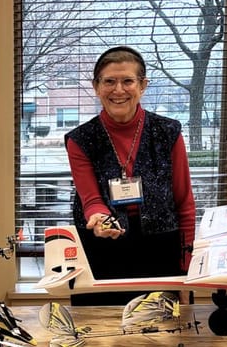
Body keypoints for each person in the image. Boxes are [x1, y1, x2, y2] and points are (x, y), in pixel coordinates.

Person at [64, 46, 196, 306]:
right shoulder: (80, 140)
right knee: (98, 335)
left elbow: (184, 203)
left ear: (143, 85)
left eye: (128, 81)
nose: (118, 90)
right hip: (101, 250)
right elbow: (90, 198)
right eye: (109, 82)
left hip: (160, 250)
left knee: (160, 337)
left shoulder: (168, 133)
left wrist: (187, 268)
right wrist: (100, 218)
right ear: (96, 86)